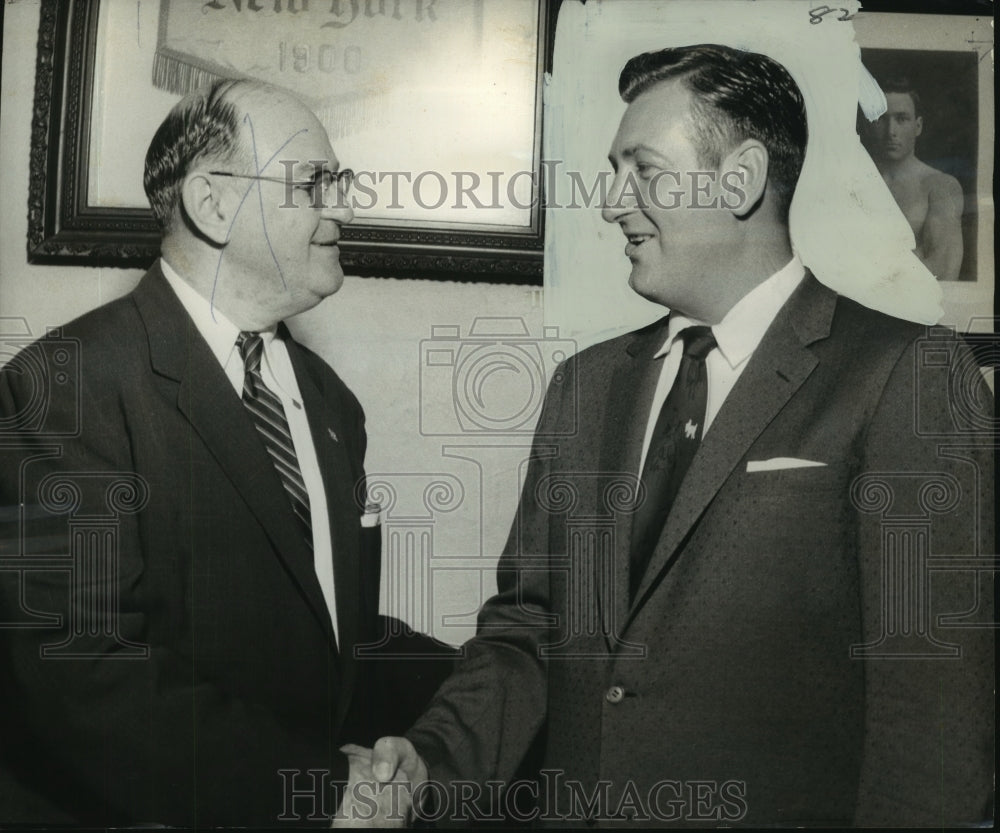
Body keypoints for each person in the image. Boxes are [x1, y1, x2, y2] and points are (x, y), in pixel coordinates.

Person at [365, 45, 994, 827]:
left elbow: (933, 717)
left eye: (644, 169)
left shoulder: (906, 373)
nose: (611, 201)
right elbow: (529, 630)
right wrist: (432, 762)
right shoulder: (585, 387)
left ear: (740, 179)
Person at [0, 79, 422, 827]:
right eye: (315, 184)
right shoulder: (63, 388)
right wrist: (319, 788)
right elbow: (80, 675)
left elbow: (322, 633)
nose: (345, 208)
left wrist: (489, 692)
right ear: (213, 204)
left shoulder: (329, 402)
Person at [864, 76, 964, 280]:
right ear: (870, 124)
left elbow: (944, 272)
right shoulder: (849, 185)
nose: (891, 131)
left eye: (901, 119)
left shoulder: (940, 186)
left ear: (918, 126)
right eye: (882, 119)